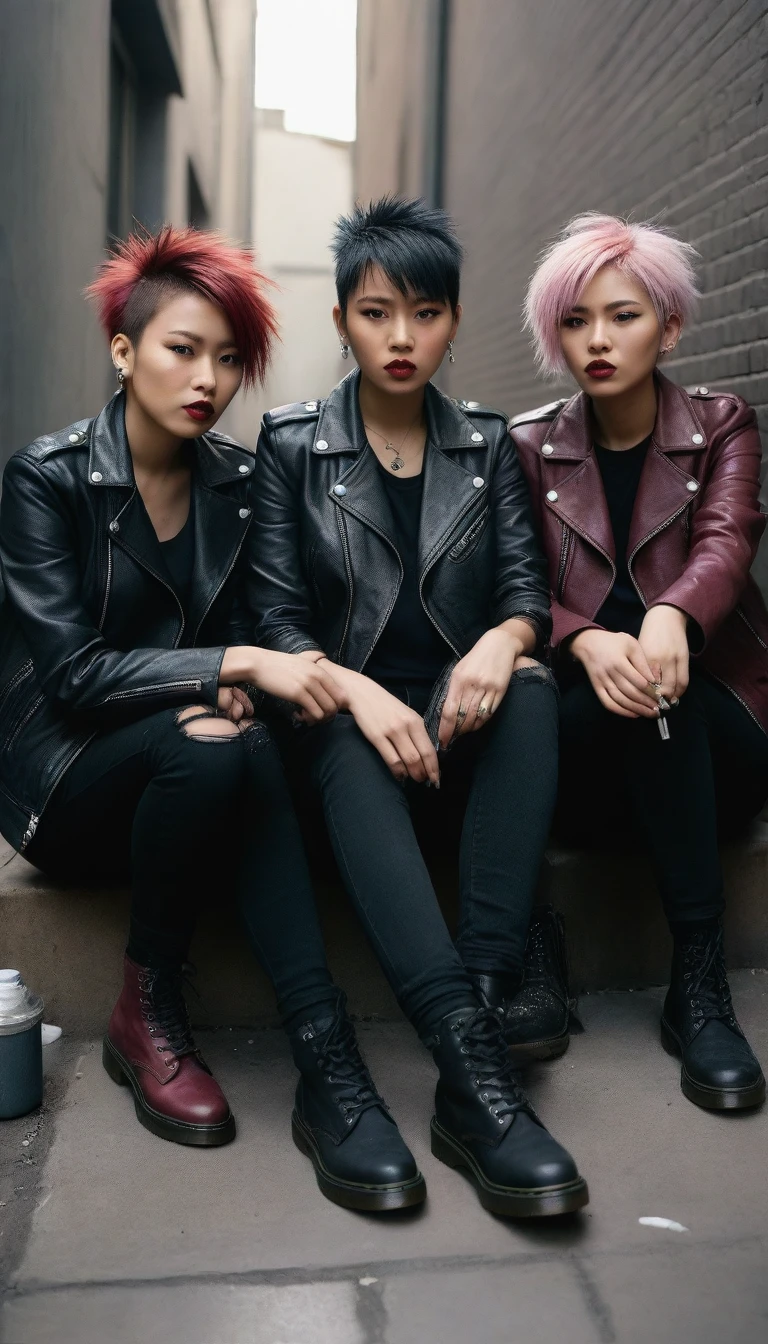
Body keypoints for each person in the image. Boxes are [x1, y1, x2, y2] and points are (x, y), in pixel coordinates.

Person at [0, 226, 431, 1214]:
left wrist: (242, 674)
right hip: (65, 783)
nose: (209, 377)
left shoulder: (238, 485)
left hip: (201, 767)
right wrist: (230, 666)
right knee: (214, 747)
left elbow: (258, 635)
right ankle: (145, 1008)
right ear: (123, 350)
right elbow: (70, 676)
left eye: (229, 358)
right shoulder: (48, 478)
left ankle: (327, 1058)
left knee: (232, 746)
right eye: (182, 349)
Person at [247, 196, 589, 1218]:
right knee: (338, 726)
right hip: (345, 753)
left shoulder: (486, 445)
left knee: (528, 685)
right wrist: (353, 687)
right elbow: (273, 616)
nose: (403, 338)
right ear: (343, 317)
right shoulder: (294, 445)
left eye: (427, 313)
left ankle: (474, 1033)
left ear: (453, 319)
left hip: (457, 735)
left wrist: (499, 640)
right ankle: (475, 1069)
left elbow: (526, 594)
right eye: (378, 311)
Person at [512, 212, 767, 1112]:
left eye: (621, 316)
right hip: (585, 749)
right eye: (575, 321)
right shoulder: (529, 448)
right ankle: (530, 951)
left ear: (670, 324)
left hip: (714, 732)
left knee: (671, 697)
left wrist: (670, 617)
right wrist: (583, 635)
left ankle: (698, 986)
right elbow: (511, 587)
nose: (597, 340)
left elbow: (728, 542)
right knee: (529, 711)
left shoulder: (722, 425)